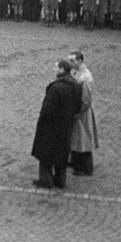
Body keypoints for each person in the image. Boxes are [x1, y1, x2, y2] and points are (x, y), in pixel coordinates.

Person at [31, 59, 83, 189]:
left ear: (61, 69)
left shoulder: (56, 87)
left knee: (46, 154)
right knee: (62, 153)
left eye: (56, 67)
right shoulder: (76, 85)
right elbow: (78, 105)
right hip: (66, 125)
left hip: (51, 126)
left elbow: (47, 110)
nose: (54, 69)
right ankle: (60, 180)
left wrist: (42, 122)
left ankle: (46, 180)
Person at [68, 51, 100, 176]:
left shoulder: (85, 78)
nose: (70, 63)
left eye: (73, 61)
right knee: (76, 138)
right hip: (78, 110)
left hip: (82, 113)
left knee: (84, 139)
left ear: (80, 61)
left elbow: (86, 100)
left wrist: (78, 112)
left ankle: (86, 167)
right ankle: (75, 161)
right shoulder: (77, 72)